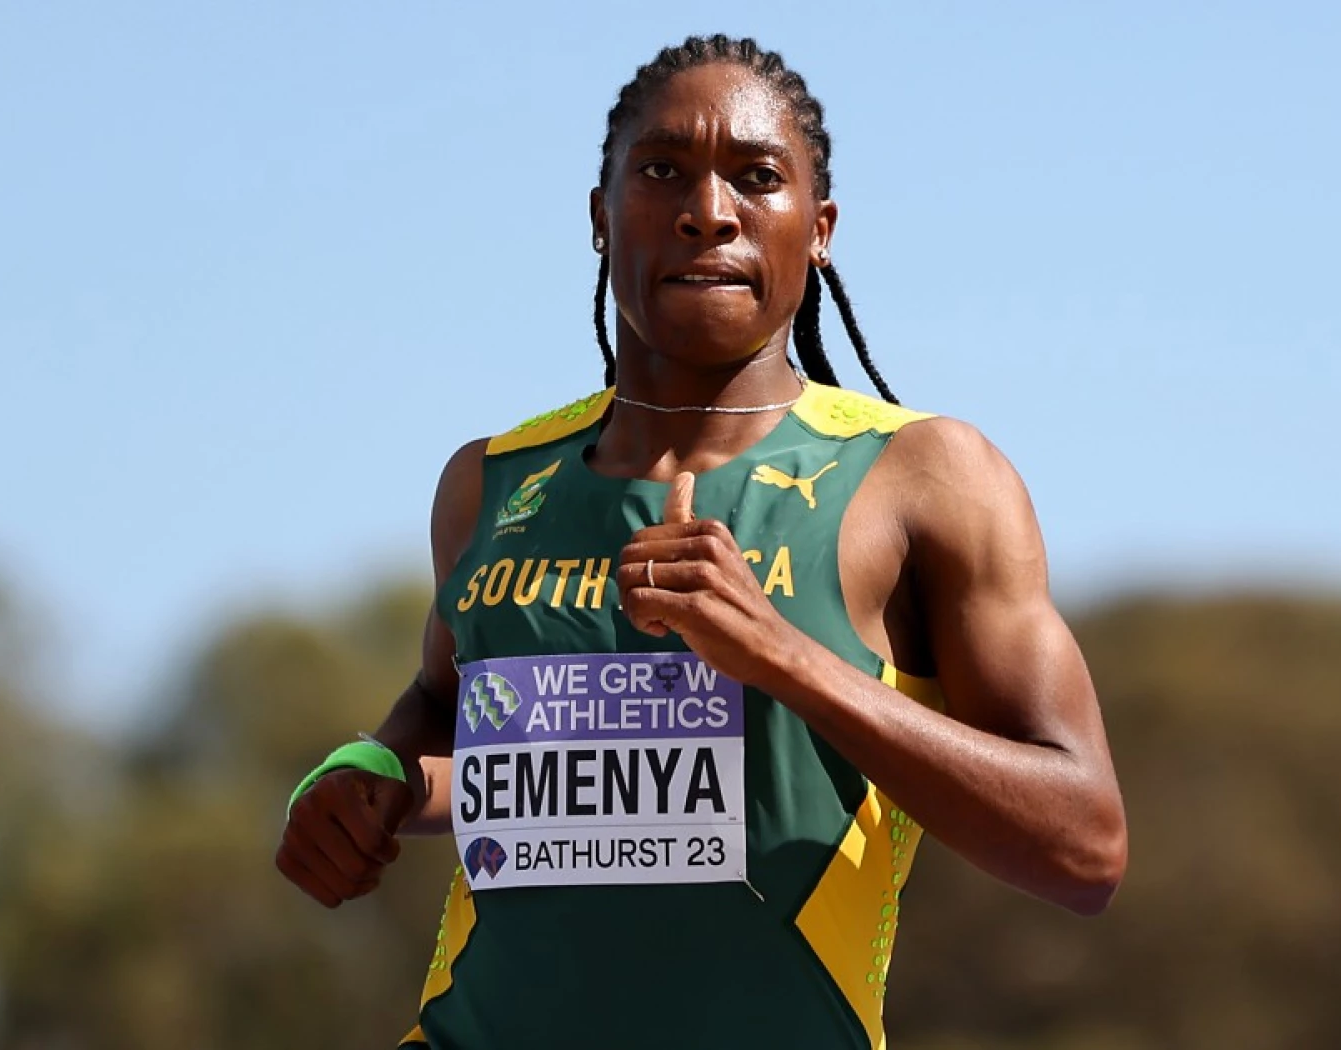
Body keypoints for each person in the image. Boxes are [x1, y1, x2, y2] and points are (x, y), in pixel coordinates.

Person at [275, 34, 1127, 1050]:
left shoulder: (927, 478)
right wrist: (369, 775)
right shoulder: (487, 483)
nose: (708, 212)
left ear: (819, 229)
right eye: (661, 171)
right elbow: (455, 719)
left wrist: (781, 655)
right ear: (600, 217)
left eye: (756, 177)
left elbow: (1084, 847)